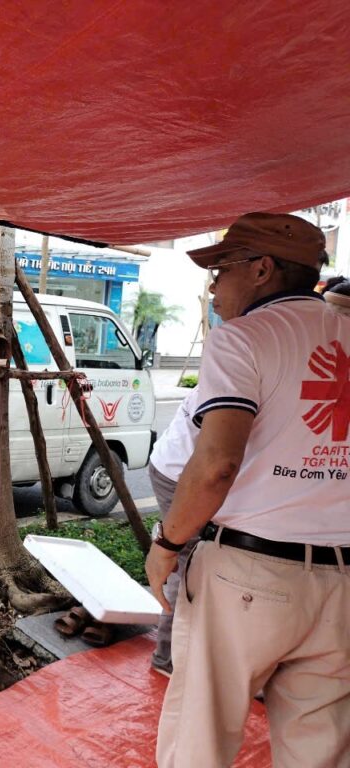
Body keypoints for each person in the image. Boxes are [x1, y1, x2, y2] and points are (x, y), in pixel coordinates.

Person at [145, 212, 348, 767]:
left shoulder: (244, 338)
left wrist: (167, 545)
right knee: (320, 752)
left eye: (222, 268)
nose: (213, 285)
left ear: (262, 270)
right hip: (343, 584)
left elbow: (216, 465)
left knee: (201, 742)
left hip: (249, 577)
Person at [146, 386, 199, 678]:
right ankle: (166, 656)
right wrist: (168, 543)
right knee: (186, 558)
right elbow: (219, 466)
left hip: (179, 467)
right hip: (180, 474)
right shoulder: (239, 373)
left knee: (188, 556)